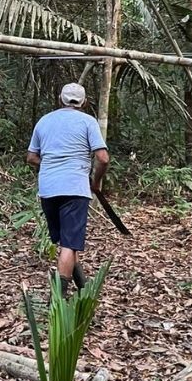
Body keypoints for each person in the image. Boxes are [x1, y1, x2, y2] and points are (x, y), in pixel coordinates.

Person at [26, 82, 109, 298]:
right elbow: (103, 158)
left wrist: (52, 163)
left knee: (67, 242)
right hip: (74, 188)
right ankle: (59, 299)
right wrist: (96, 181)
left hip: (48, 189)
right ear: (84, 102)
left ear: (60, 99)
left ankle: (84, 289)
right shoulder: (88, 122)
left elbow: (32, 157)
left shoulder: (44, 121)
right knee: (69, 245)